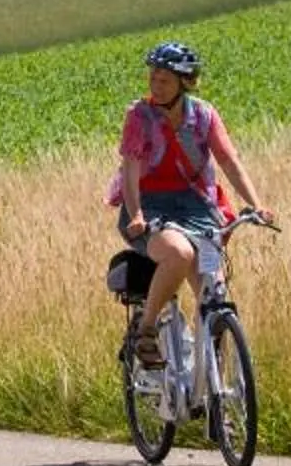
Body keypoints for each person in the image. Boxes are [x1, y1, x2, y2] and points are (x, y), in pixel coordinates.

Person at [113, 42, 270, 368]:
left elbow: (229, 161)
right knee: (179, 254)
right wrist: (137, 213)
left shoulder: (203, 115)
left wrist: (256, 205)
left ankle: (215, 397)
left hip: (198, 207)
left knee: (214, 295)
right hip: (149, 206)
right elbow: (129, 169)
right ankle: (145, 332)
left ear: (185, 83)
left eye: (165, 80)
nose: (156, 86)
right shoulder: (139, 116)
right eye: (153, 78)